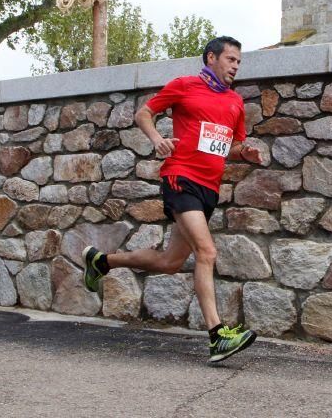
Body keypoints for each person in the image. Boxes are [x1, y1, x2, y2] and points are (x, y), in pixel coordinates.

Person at [82, 36, 262, 363]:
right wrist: (157, 140)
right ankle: (217, 335)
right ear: (211, 58)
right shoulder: (185, 85)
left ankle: (101, 261)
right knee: (206, 251)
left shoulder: (235, 102)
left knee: (169, 263)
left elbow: (230, 146)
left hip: (209, 188)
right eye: (231, 59)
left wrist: (244, 153)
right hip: (181, 177)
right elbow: (144, 114)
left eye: (239, 61)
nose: (236, 66)